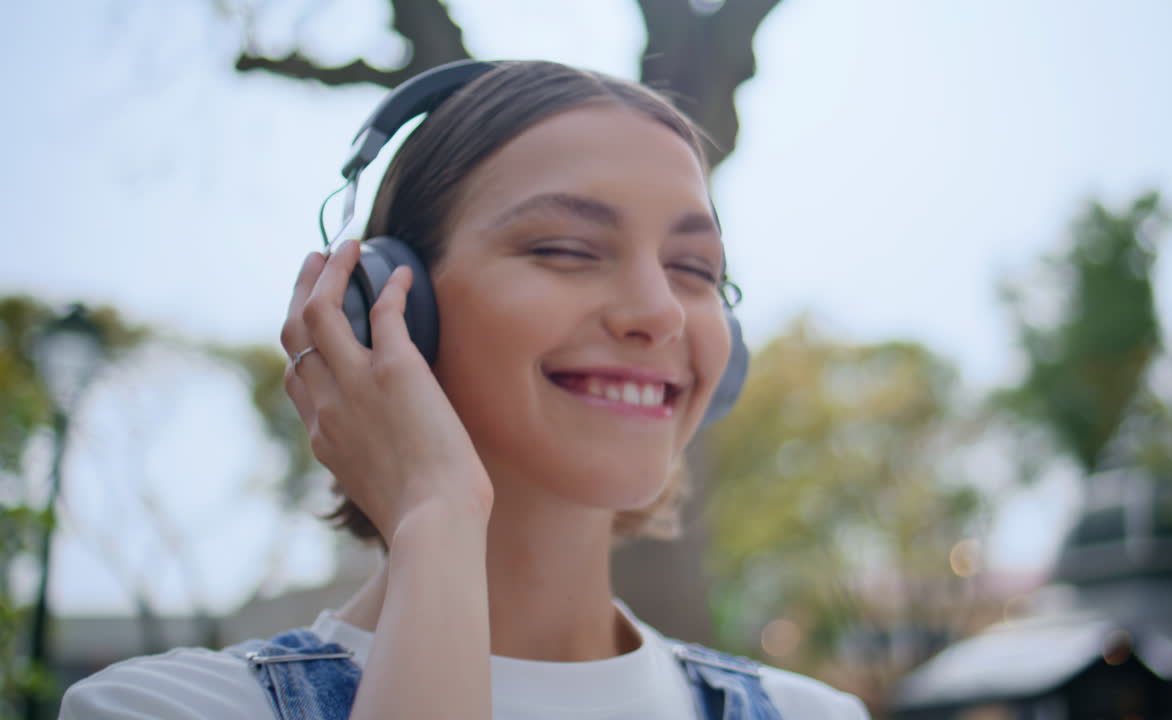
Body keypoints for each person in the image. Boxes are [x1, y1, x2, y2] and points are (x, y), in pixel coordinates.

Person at [60, 60, 868, 719]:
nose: (660, 312)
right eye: (564, 248)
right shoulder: (163, 710)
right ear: (389, 306)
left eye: (695, 270)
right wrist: (436, 518)